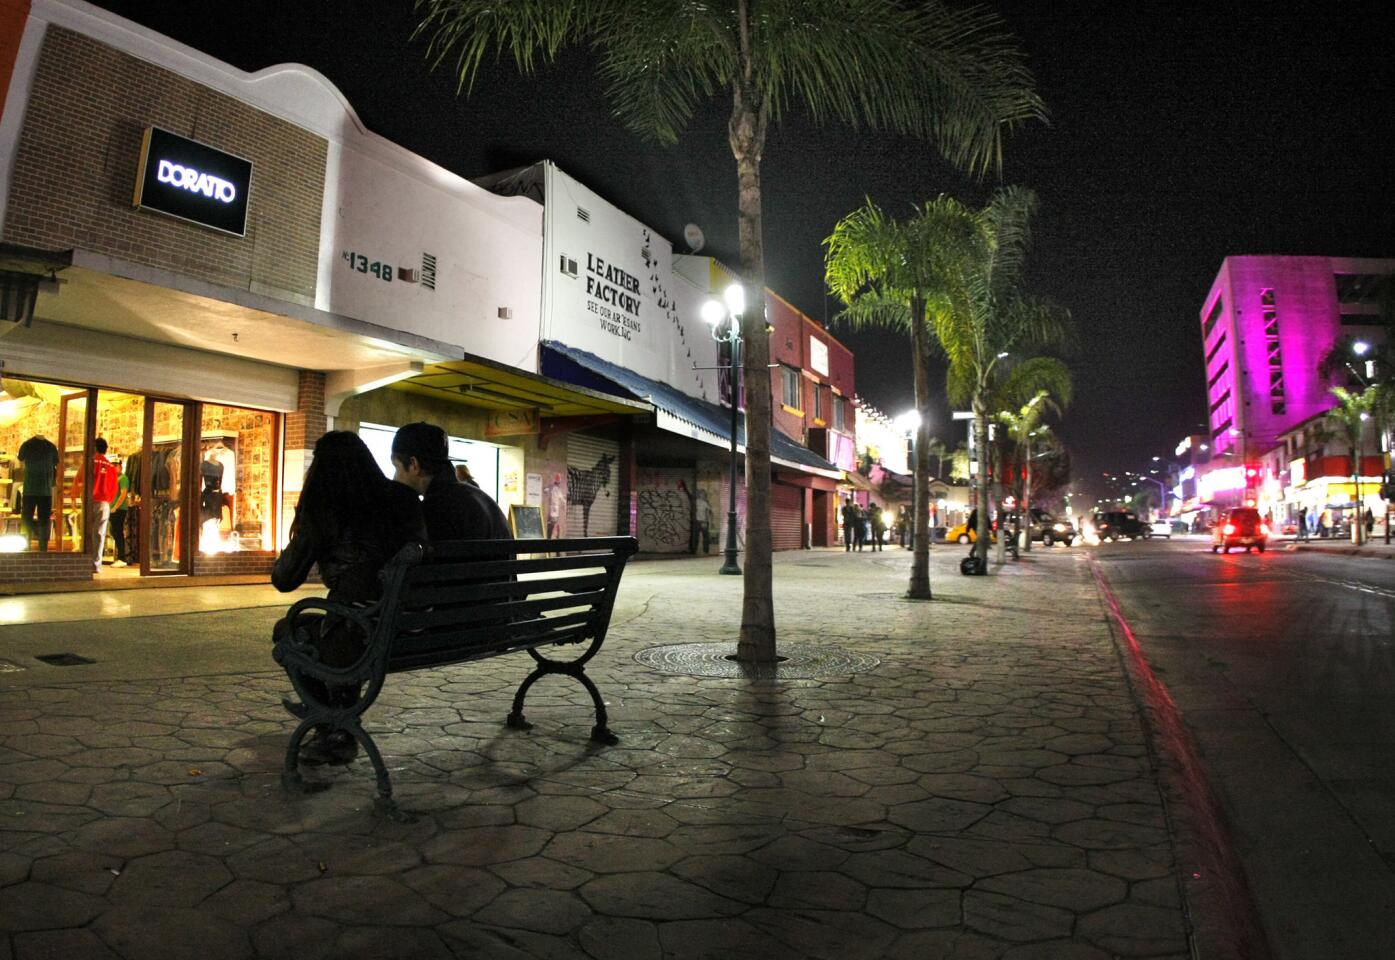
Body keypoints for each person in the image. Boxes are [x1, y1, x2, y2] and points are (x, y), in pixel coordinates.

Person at [273, 431, 427, 764]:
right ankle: (327, 711)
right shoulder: (403, 499)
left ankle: (333, 724)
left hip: (364, 635)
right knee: (337, 625)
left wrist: (303, 529)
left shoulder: (326, 505)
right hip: (411, 629)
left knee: (288, 632)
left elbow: (284, 580)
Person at [390, 422, 511, 540]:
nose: (394, 477)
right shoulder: (482, 499)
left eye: (396, 467)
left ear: (413, 464)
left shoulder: (433, 512)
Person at [17, 434, 58, 552]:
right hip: (45, 490)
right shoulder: (51, 447)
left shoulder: (27, 445)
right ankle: (43, 549)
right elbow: (56, 465)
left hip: (30, 489)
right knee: (44, 520)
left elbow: (21, 458)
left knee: (26, 519)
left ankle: (25, 547)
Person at [85, 438, 120, 572]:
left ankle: (84, 562)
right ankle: (95, 564)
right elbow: (114, 487)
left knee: (86, 534)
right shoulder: (111, 466)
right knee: (99, 534)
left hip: (90, 501)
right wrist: (108, 500)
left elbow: (81, 479)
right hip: (104, 503)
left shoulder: (90, 463)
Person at [692, 489, 712, 554]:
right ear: (699, 494)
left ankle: (705, 550)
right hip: (697, 521)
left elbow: (710, 510)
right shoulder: (696, 502)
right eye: (701, 494)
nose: (702, 495)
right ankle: (694, 550)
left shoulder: (705, 502)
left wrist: (709, 520)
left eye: (703, 494)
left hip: (704, 521)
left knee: (705, 537)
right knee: (696, 537)